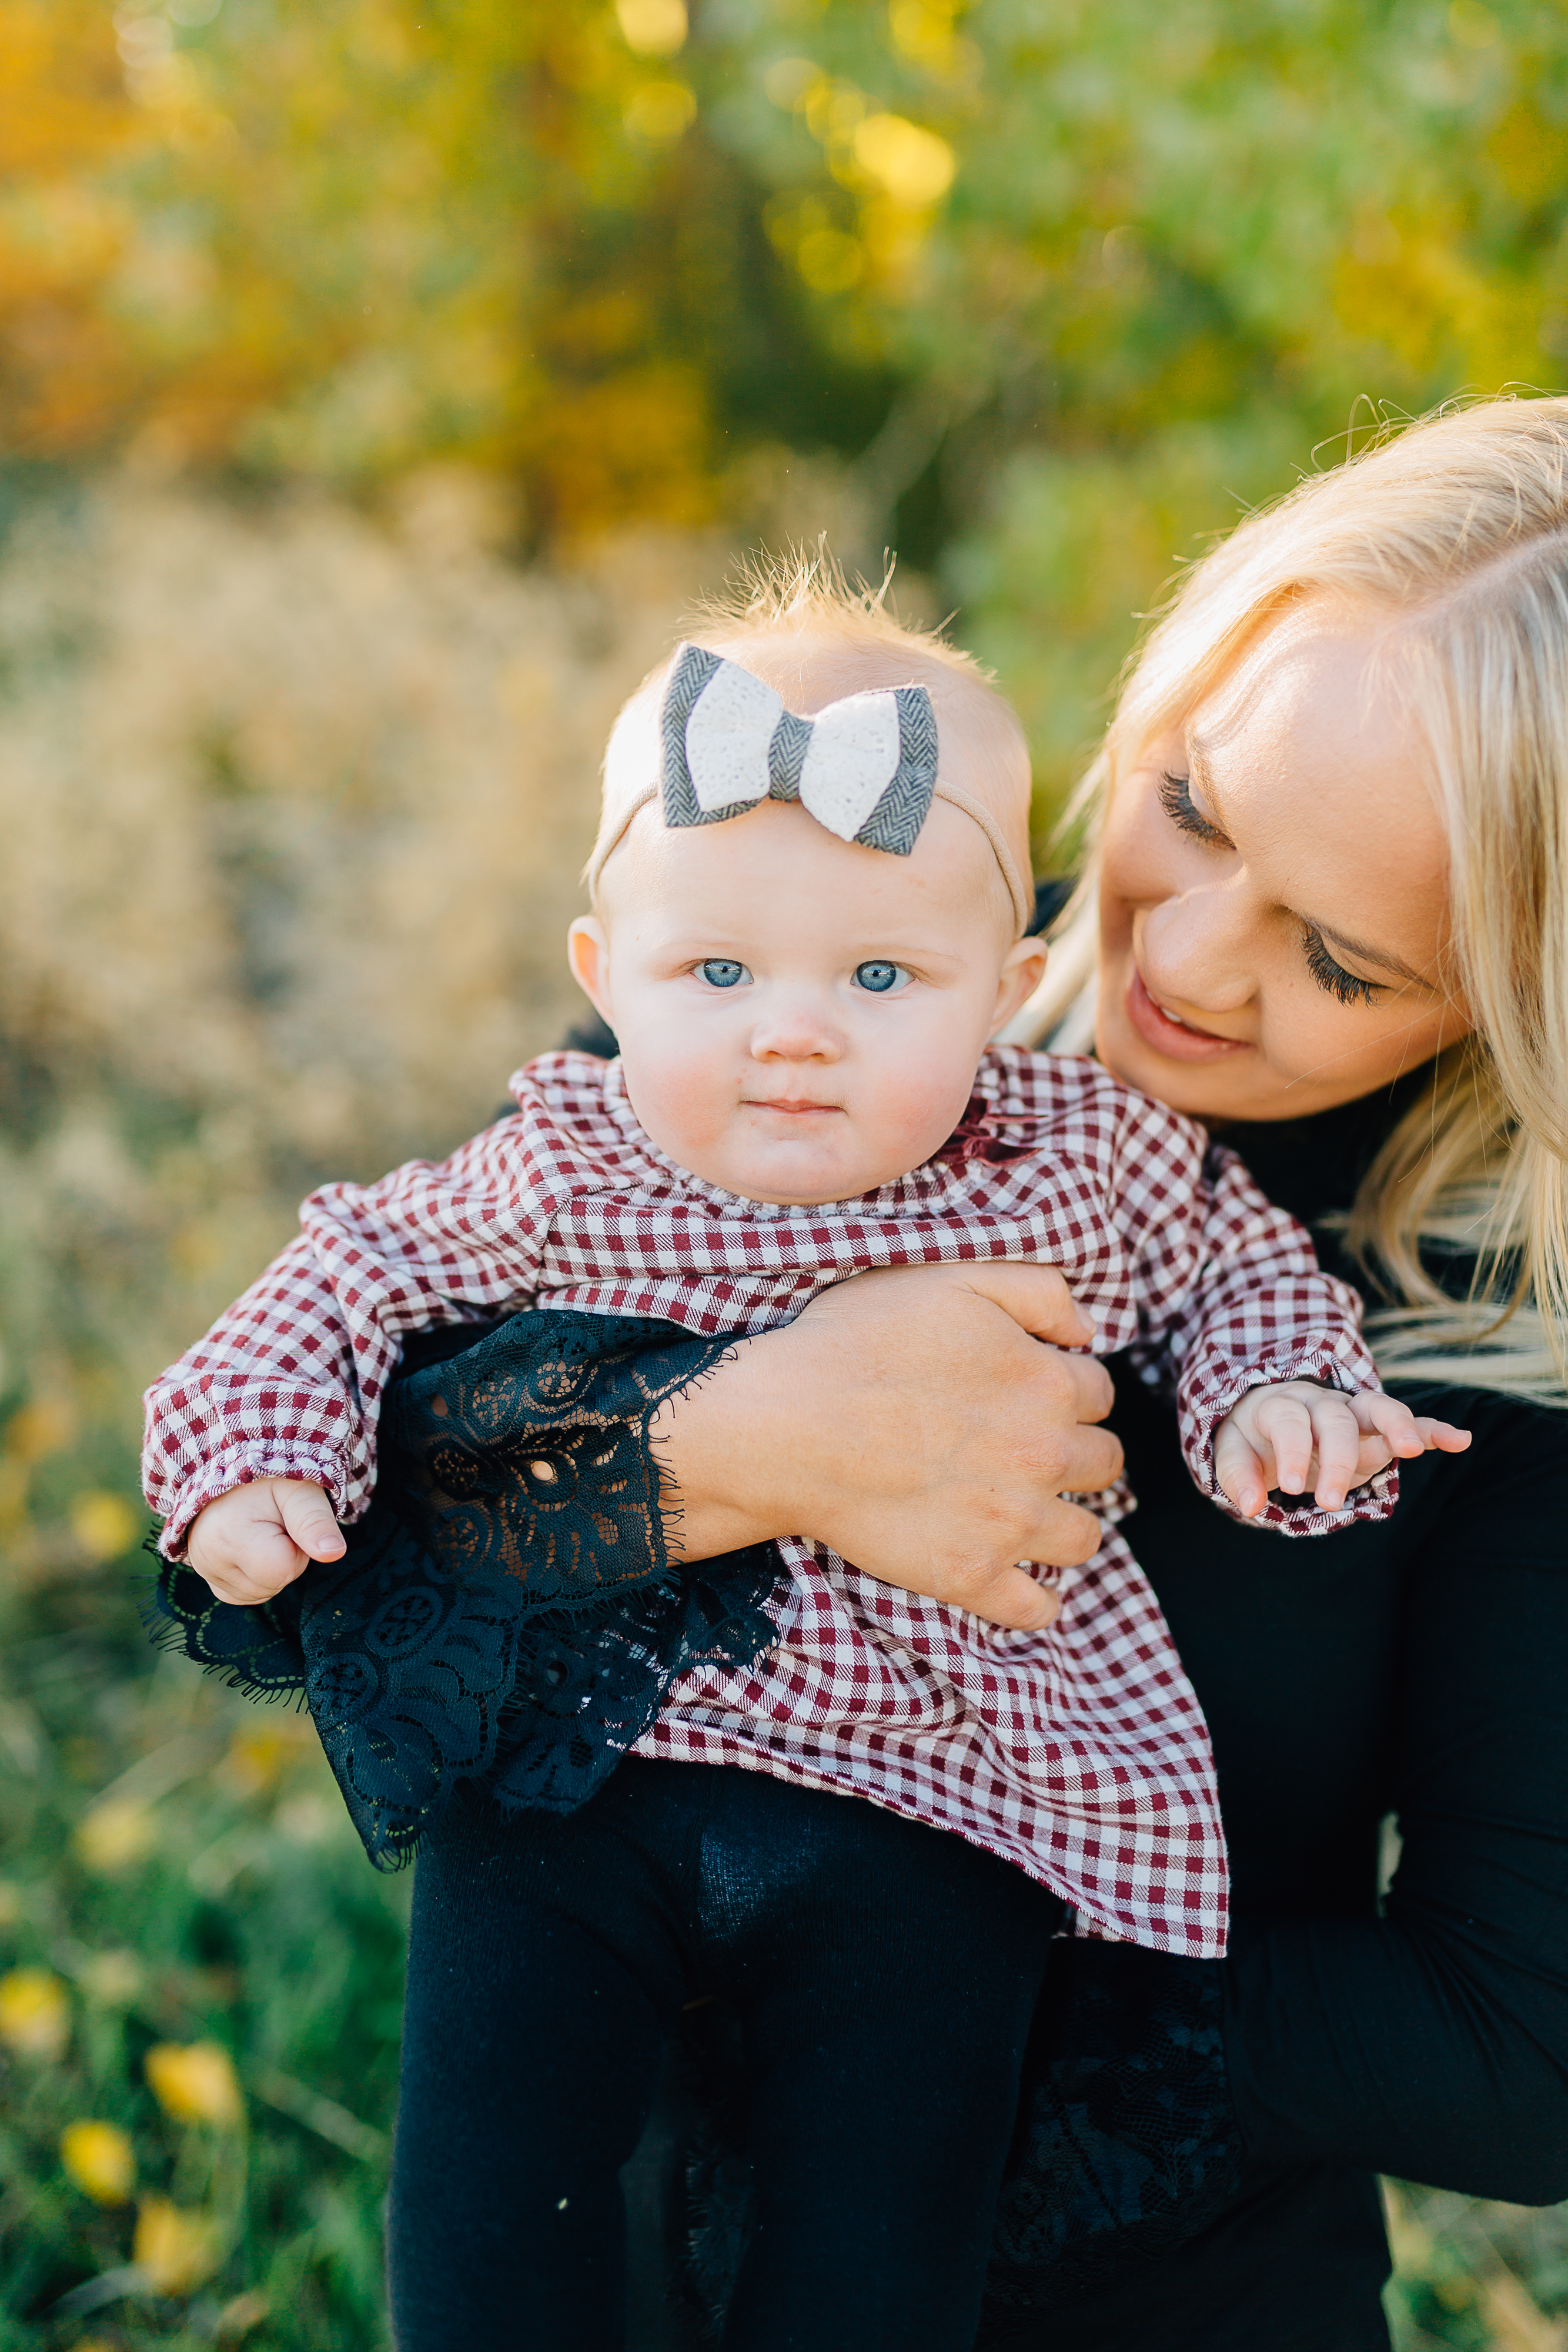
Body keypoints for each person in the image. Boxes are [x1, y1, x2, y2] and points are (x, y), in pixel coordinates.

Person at [140, 587, 1462, 2352]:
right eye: (717, 972)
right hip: (590, 1773)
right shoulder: (573, 1148)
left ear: (1000, 994)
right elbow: (349, 1270)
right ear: (607, 973)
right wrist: (255, 1460)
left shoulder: (1081, 1152)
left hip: (943, 1800)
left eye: (878, 978)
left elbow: (1236, 1274)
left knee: (879, 2237)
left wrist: (1271, 1398)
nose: (792, 1028)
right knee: (496, 2198)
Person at [563, 399, 1566, 2351]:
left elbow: (1513, 2049)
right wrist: (737, 1450)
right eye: (1190, 803)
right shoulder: (803, 976)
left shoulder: (1503, 1355)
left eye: (1342, 962)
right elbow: (314, 1540)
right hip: (597, 2236)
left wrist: (906, 1960)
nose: (1184, 957)